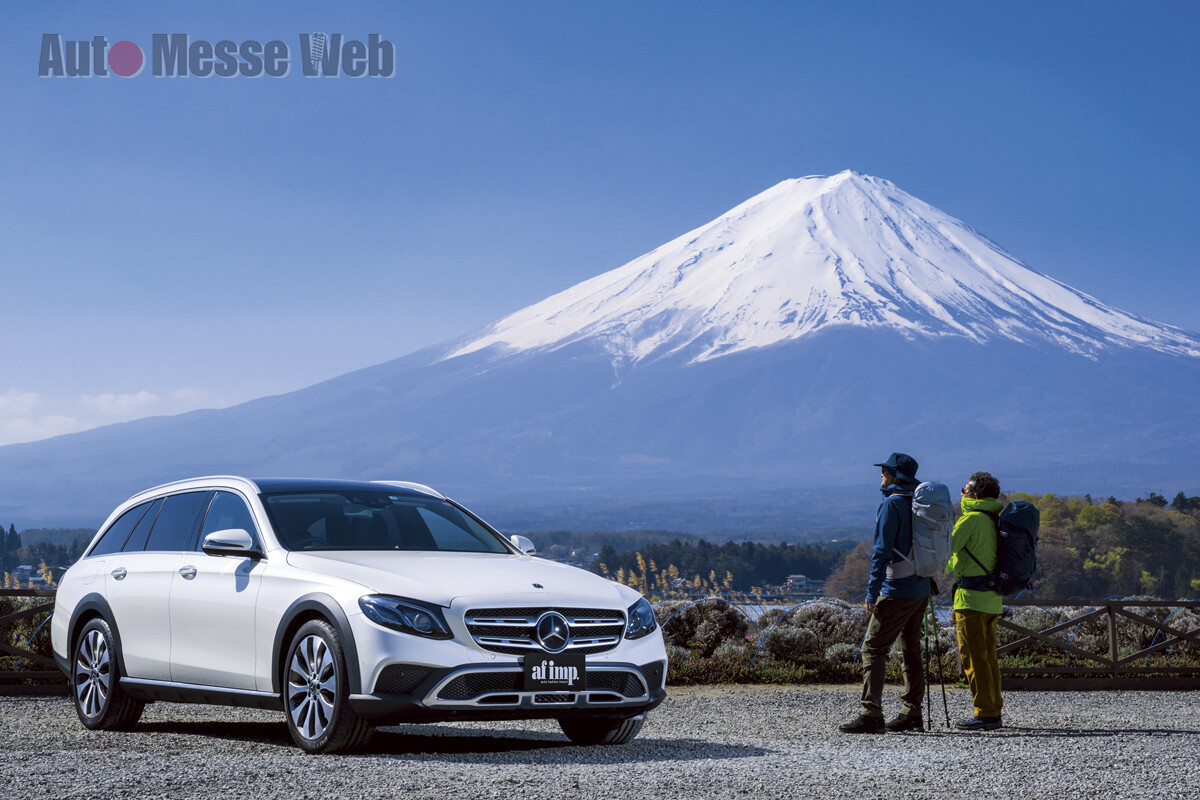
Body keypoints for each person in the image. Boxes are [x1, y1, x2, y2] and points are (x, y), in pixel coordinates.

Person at [839, 453, 932, 734]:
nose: (881, 474)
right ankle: (911, 713)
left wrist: (872, 591)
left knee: (873, 649)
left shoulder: (892, 505)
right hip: (922, 587)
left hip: (897, 589)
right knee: (911, 649)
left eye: (885, 471)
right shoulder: (919, 504)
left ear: (895, 476)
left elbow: (881, 552)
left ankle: (871, 714)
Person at [947, 471, 1005, 731]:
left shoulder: (971, 519)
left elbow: (947, 548)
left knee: (973, 656)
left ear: (975, 495)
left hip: (970, 599)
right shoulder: (994, 519)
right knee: (989, 656)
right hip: (992, 599)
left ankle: (985, 712)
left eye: (965, 490)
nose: (961, 494)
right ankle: (994, 707)